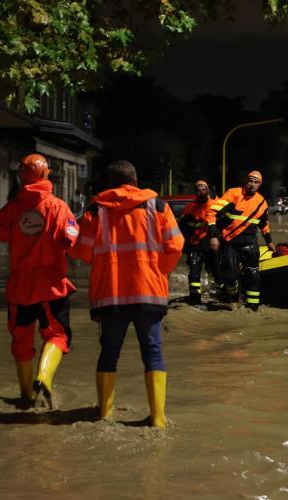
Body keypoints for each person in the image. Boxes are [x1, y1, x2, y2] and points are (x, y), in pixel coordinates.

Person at [69, 160, 183, 428]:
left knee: (109, 352)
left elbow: (83, 252)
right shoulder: (158, 207)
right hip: (149, 292)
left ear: (110, 183)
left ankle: (104, 415)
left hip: (111, 295)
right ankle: (157, 419)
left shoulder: (96, 211)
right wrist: (160, 271)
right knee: (153, 351)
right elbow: (176, 244)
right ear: (135, 180)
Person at [0, 153, 78, 408]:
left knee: (21, 342)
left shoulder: (11, 210)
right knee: (57, 335)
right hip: (52, 286)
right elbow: (73, 240)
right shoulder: (58, 207)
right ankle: (44, 377)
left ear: (21, 177)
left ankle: (26, 397)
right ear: (47, 175)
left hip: (19, 290)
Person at [207, 170, 276, 310]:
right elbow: (211, 212)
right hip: (230, 244)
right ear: (246, 181)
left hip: (250, 244)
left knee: (253, 276)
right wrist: (213, 236)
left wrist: (269, 241)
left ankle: (253, 307)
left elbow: (264, 224)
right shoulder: (233, 193)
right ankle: (234, 298)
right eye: (250, 181)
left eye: (256, 182)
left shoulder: (262, 202)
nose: (252, 184)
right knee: (229, 275)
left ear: (259, 185)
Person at [178, 180, 223, 304]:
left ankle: (222, 295)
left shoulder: (215, 205)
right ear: (195, 191)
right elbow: (182, 227)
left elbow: (222, 225)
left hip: (210, 244)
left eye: (203, 189)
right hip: (195, 244)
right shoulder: (189, 208)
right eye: (198, 189)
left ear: (208, 190)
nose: (201, 191)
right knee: (194, 273)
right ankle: (195, 299)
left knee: (216, 271)